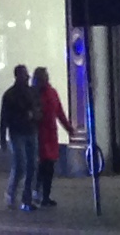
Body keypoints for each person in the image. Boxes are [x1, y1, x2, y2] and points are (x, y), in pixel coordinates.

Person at [0, 66, 39, 210]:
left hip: (30, 131)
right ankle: (11, 194)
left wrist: (35, 116)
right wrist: (2, 138)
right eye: (24, 74)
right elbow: (4, 118)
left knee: (31, 165)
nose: (26, 77)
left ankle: (26, 198)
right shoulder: (10, 95)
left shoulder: (31, 92)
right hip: (18, 133)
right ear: (17, 76)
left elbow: (38, 109)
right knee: (21, 165)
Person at [30, 66, 71, 208]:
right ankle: (37, 193)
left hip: (50, 134)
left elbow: (59, 112)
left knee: (49, 166)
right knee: (42, 166)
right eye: (42, 77)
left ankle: (45, 195)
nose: (45, 79)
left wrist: (69, 128)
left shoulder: (51, 93)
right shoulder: (34, 95)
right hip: (38, 133)